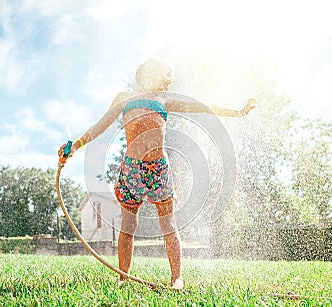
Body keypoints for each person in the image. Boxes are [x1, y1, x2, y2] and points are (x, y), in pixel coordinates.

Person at [58, 59, 256, 290]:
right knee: (128, 225)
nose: (168, 83)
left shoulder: (164, 100)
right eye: (166, 77)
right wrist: (76, 145)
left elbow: (203, 106)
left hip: (158, 169)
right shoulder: (124, 98)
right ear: (151, 74)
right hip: (132, 170)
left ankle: (176, 278)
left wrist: (237, 111)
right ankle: (124, 277)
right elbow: (100, 126)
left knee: (169, 225)